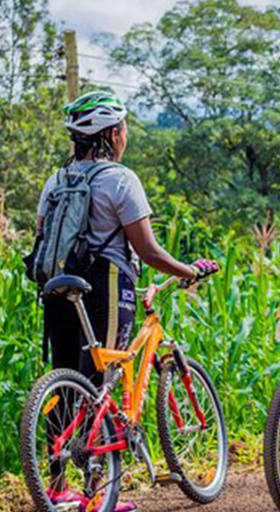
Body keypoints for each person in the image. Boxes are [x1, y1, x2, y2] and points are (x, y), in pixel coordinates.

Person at [36, 91, 218, 512]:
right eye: (125, 128)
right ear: (113, 134)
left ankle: (57, 485)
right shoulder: (120, 179)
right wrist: (188, 271)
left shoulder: (56, 180)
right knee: (100, 383)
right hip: (107, 284)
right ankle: (97, 494)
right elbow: (149, 251)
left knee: (64, 380)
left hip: (59, 285)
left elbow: (43, 235)